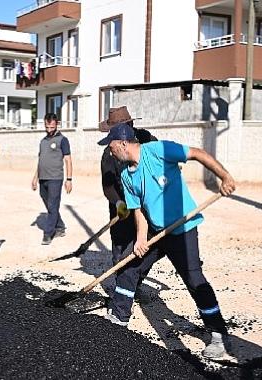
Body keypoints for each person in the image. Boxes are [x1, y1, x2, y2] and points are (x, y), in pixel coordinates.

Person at [98, 123, 236, 359]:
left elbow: (197, 153)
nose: (110, 153)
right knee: (130, 263)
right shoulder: (126, 175)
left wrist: (224, 176)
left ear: (123, 143)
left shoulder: (158, 150)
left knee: (193, 278)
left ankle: (219, 336)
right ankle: (119, 318)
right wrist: (141, 238)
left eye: (111, 148)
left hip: (182, 228)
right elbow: (138, 209)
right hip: (155, 229)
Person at [98, 107, 159, 328]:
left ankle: (133, 285)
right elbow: (107, 186)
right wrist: (118, 203)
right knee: (120, 253)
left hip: (145, 207)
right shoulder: (109, 153)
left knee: (144, 248)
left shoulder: (147, 139)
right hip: (122, 209)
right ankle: (123, 292)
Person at [31, 113, 73, 245]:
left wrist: (69, 179)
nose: (49, 129)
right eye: (47, 126)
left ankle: (48, 234)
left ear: (56, 124)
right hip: (42, 178)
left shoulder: (63, 140)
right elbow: (40, 160)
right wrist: (35, 178)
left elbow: (68, 160)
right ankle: (60, 227)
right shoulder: (43, 142)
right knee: (50, 205)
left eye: (51, 126)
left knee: (52, 205)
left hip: (55, 178)